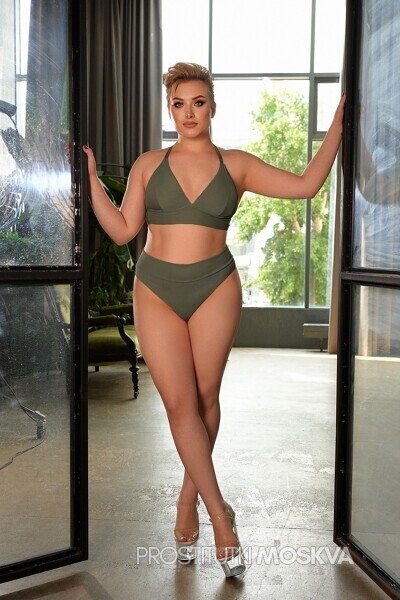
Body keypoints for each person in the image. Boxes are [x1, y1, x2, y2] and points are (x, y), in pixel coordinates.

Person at [83, 62, 345, 578]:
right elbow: (122, 230)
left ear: (212, 107)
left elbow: (306, 185)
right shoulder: (148, 165)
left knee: (205, 401)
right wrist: (92, 182)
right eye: (178, 104)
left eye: (197, 102)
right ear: (170, 109)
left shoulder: (236, 164)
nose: (188, 113)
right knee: (179, 405)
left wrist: (338, 122)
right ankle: (220, 517)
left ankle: (186, 504)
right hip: (156, 288)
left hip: (216, 287)